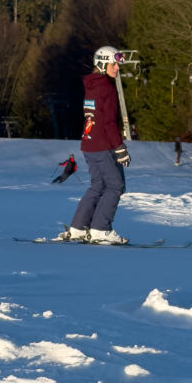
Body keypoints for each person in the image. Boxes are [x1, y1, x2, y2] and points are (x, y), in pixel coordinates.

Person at [60, 45, 130, 244]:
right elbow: (108, 121)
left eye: (117, 64)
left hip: (89, 144)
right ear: (102, 64)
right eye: (113, 64)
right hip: (103, 145)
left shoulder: (92, 85)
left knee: (98, 186)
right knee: (116, 186)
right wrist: (119, 147)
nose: (117, 68)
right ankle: (100, 229)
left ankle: (78, 228)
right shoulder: (106, 87)